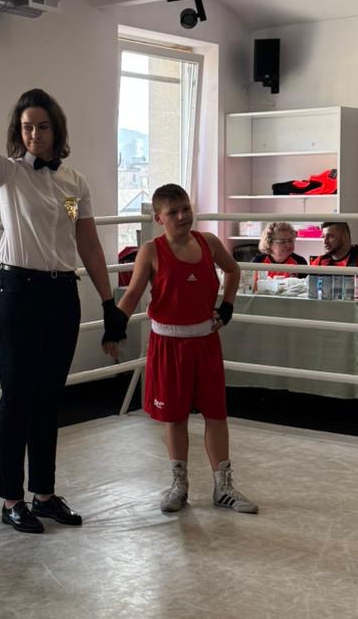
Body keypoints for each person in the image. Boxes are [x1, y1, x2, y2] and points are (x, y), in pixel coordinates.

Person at [0, 88, 127, 532]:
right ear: (18, 130)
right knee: (17, 399)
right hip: (18, 295)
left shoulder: (72, 184)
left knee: (48, 400)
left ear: (56, 130)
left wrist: (109, 302)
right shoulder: (7, 174)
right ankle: (11, 500)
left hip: (62, 294)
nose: (34, 134)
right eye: (27, 127)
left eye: (42, 126)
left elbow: (85, 241)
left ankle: (43, 494)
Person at [104, 184, 258, 516]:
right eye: (173, 212)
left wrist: (227, 306)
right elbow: (132, 294)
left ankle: (223, 486)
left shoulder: (209, 242)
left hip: (205, 341)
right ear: (159, 218)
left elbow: (233, 270)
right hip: (168, 345)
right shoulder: (151, 251)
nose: (182, 216)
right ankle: (179, 484)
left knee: (216, 413)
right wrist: (115, 326)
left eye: (186, 208)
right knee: (174, 417)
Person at [310, 220, 358, 293]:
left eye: (330, 236)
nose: (325, 241)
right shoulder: (320, 260)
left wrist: (339, 287)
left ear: (345, 237)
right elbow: (307, 284)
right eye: (323, 237)